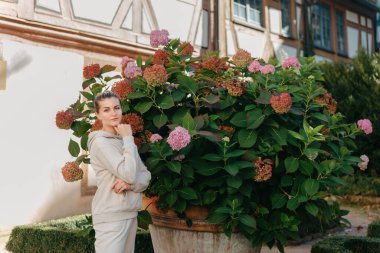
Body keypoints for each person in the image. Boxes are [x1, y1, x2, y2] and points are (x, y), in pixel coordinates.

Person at [87, 91, 151, 253]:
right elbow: (128, 174)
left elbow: (145, 176)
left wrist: (131, 185)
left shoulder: (124, 141)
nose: (113, 113)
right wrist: (129, 139)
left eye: (116, 108)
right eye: (106, 110)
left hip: (129, 214)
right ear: (98, 115)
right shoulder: (101, 143)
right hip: (110, 217)